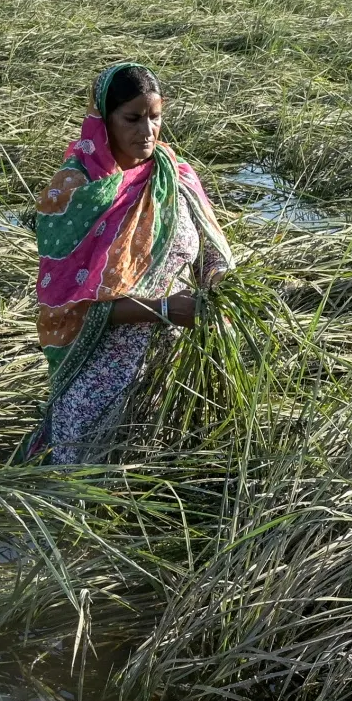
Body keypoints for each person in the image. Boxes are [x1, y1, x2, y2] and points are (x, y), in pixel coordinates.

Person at [22, 62, 234, 463]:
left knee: (156, 478)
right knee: (80, 482)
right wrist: (166, 310)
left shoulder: (172, 173)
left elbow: (209, 249)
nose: (147, 131)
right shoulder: (73, 193)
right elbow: (68, 306)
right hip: (98, 371)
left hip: (170, 364)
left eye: (155, 118)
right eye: (132, 119)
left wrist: (219, 286)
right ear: (104, 120)